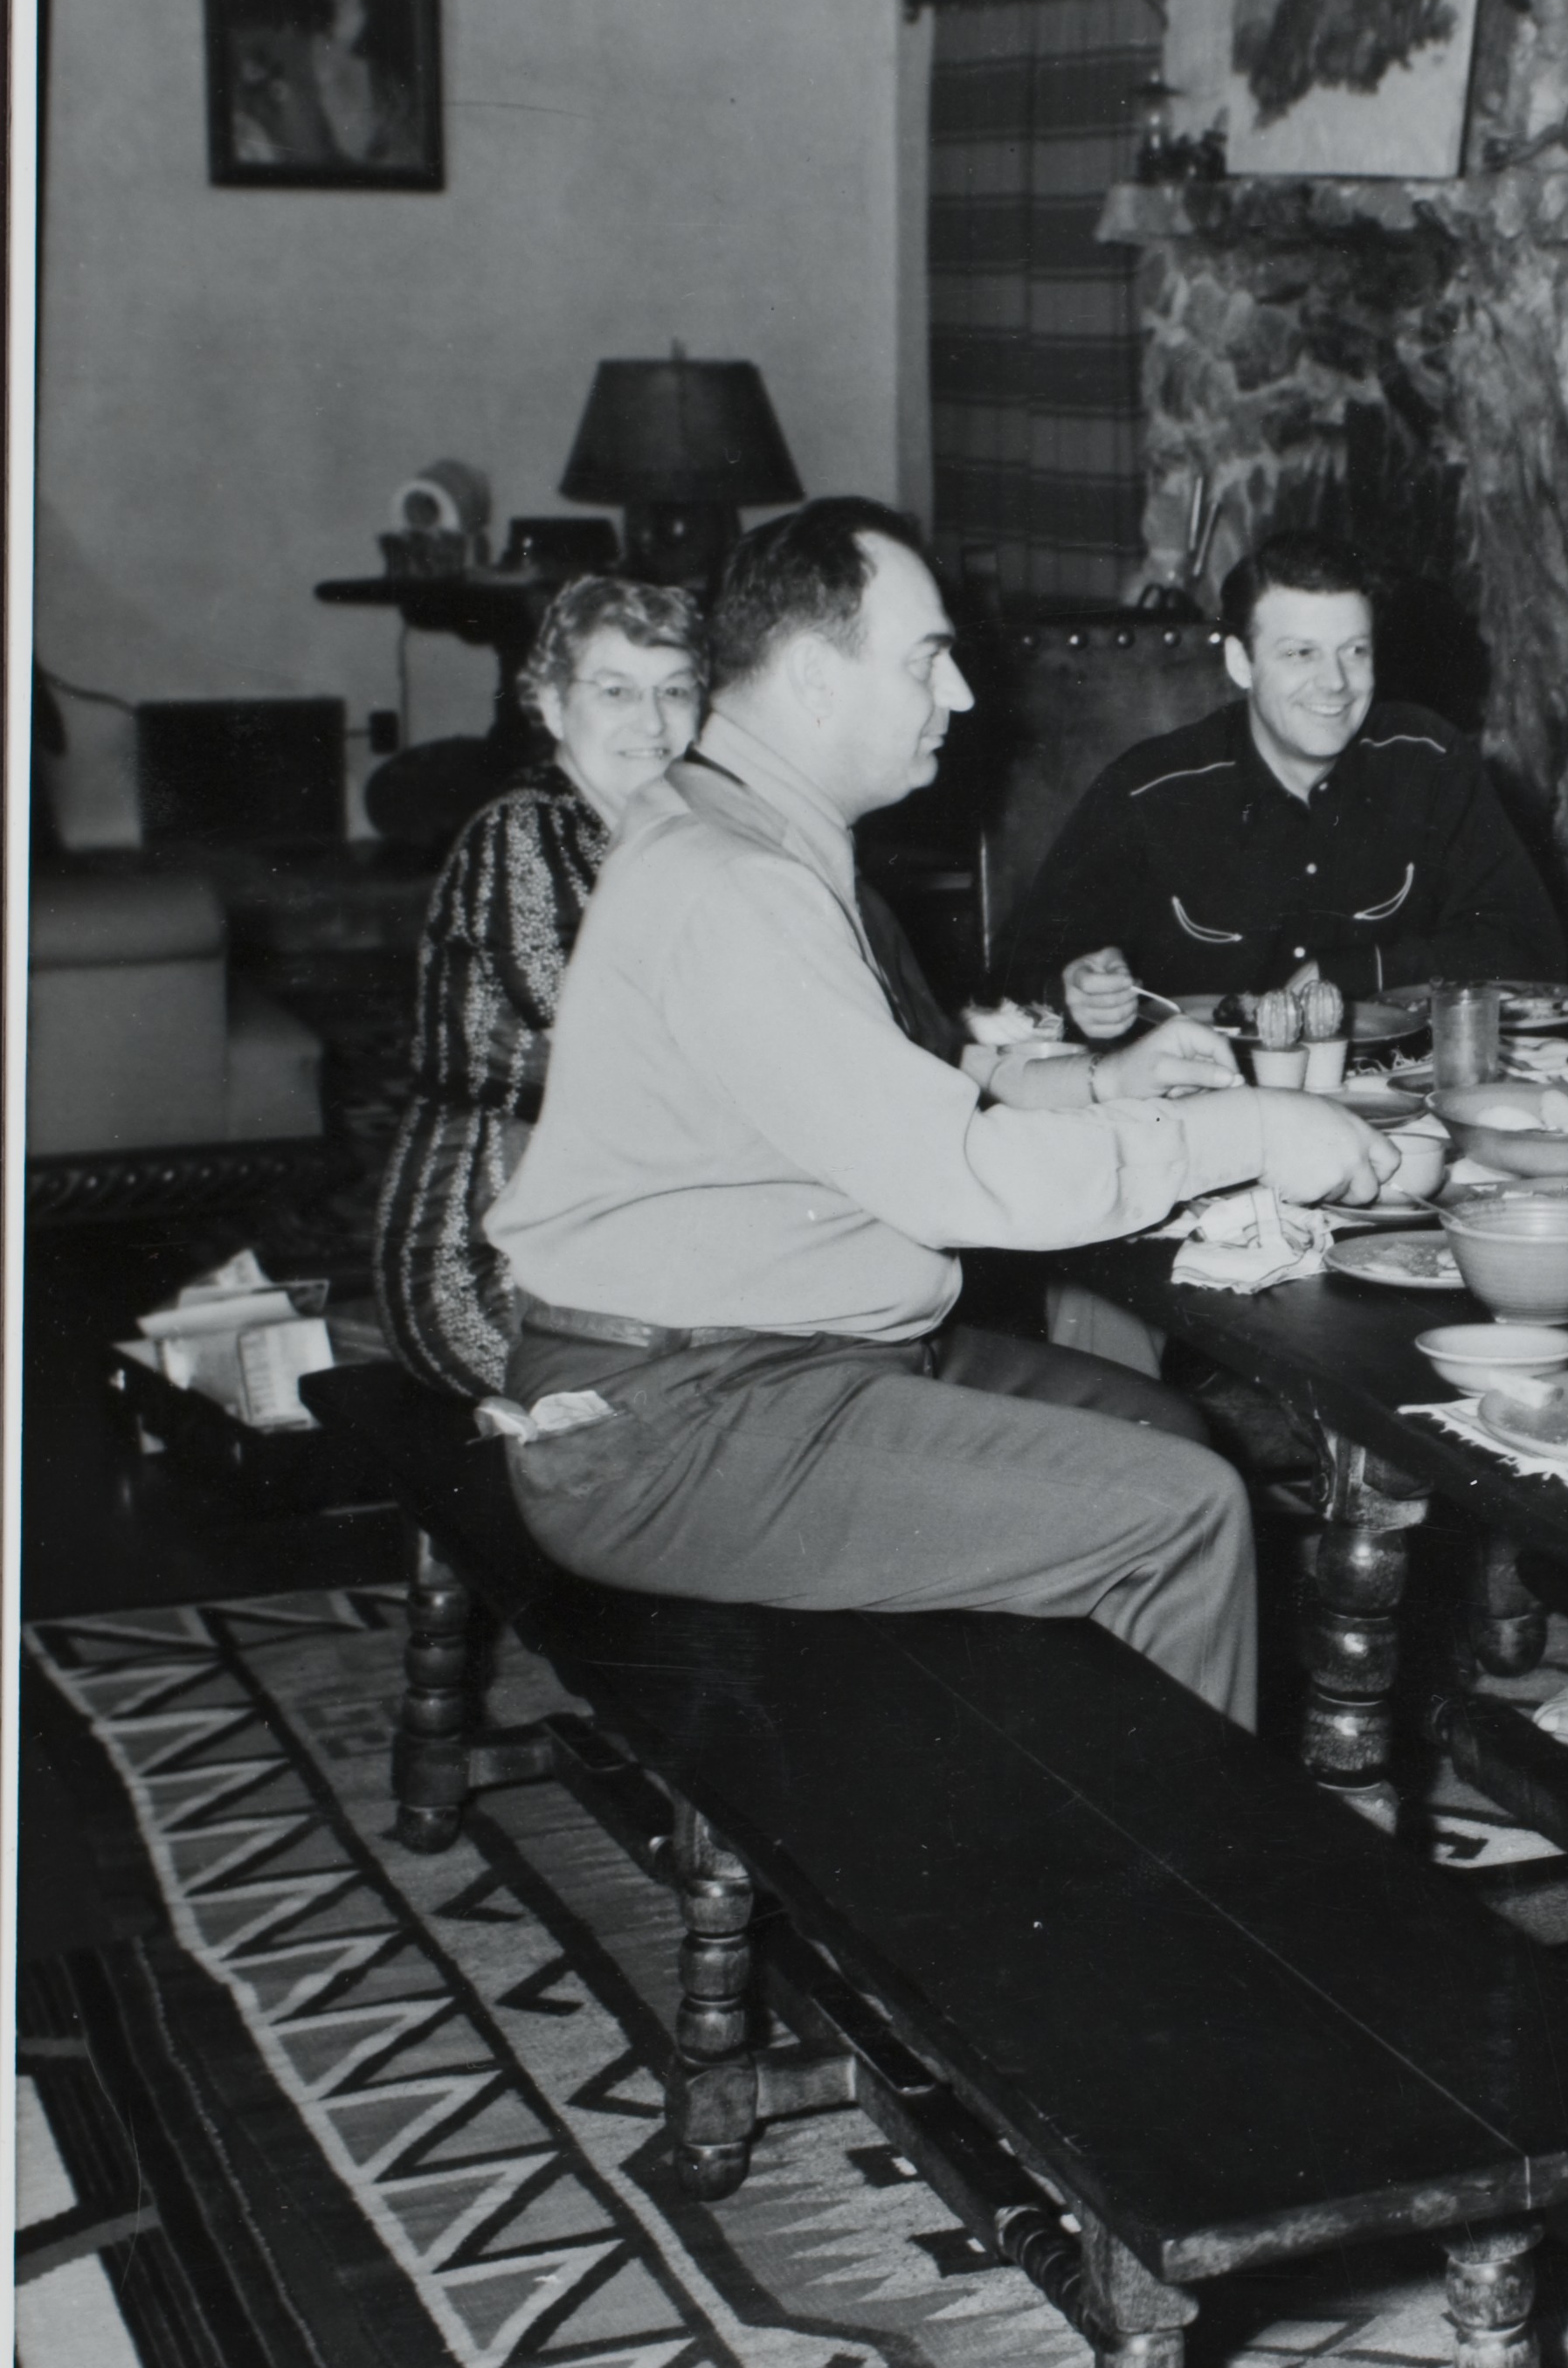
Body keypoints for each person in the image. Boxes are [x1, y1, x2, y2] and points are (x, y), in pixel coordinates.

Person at [484, 501, 1397, 1728]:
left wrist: (1101, 1088)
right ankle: (1165, 1900)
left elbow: (908, 1093)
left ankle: (1073, 1791)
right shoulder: (739, 885)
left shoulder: (753, 835)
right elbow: (953, 1178)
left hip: (768, 1356)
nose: (960, 696)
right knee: (1179, 1513)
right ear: (814, 677)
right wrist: (1247, 1131)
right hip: (672, 1422)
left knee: (1160, 1426)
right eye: (927, 658)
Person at [1002, 526, 1568, 1039]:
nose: (1336, 683)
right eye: (1301, 654)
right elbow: (1021, 969)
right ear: (1241, 664)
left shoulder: (1429, 761)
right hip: (1205, 1110)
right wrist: (1076, 984)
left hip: (1395, 1099)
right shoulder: (1150, 791)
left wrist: (1355, 973)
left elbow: (1531, 951)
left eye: (1355, 651)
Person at [374, 576, 706, 1398]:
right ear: (554, 706)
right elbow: (597, 1039)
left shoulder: (668, 833)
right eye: (617, 692)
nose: (652, 723)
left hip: (601, 1228)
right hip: (487, 1260)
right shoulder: (522, 828)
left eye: (675, 691)